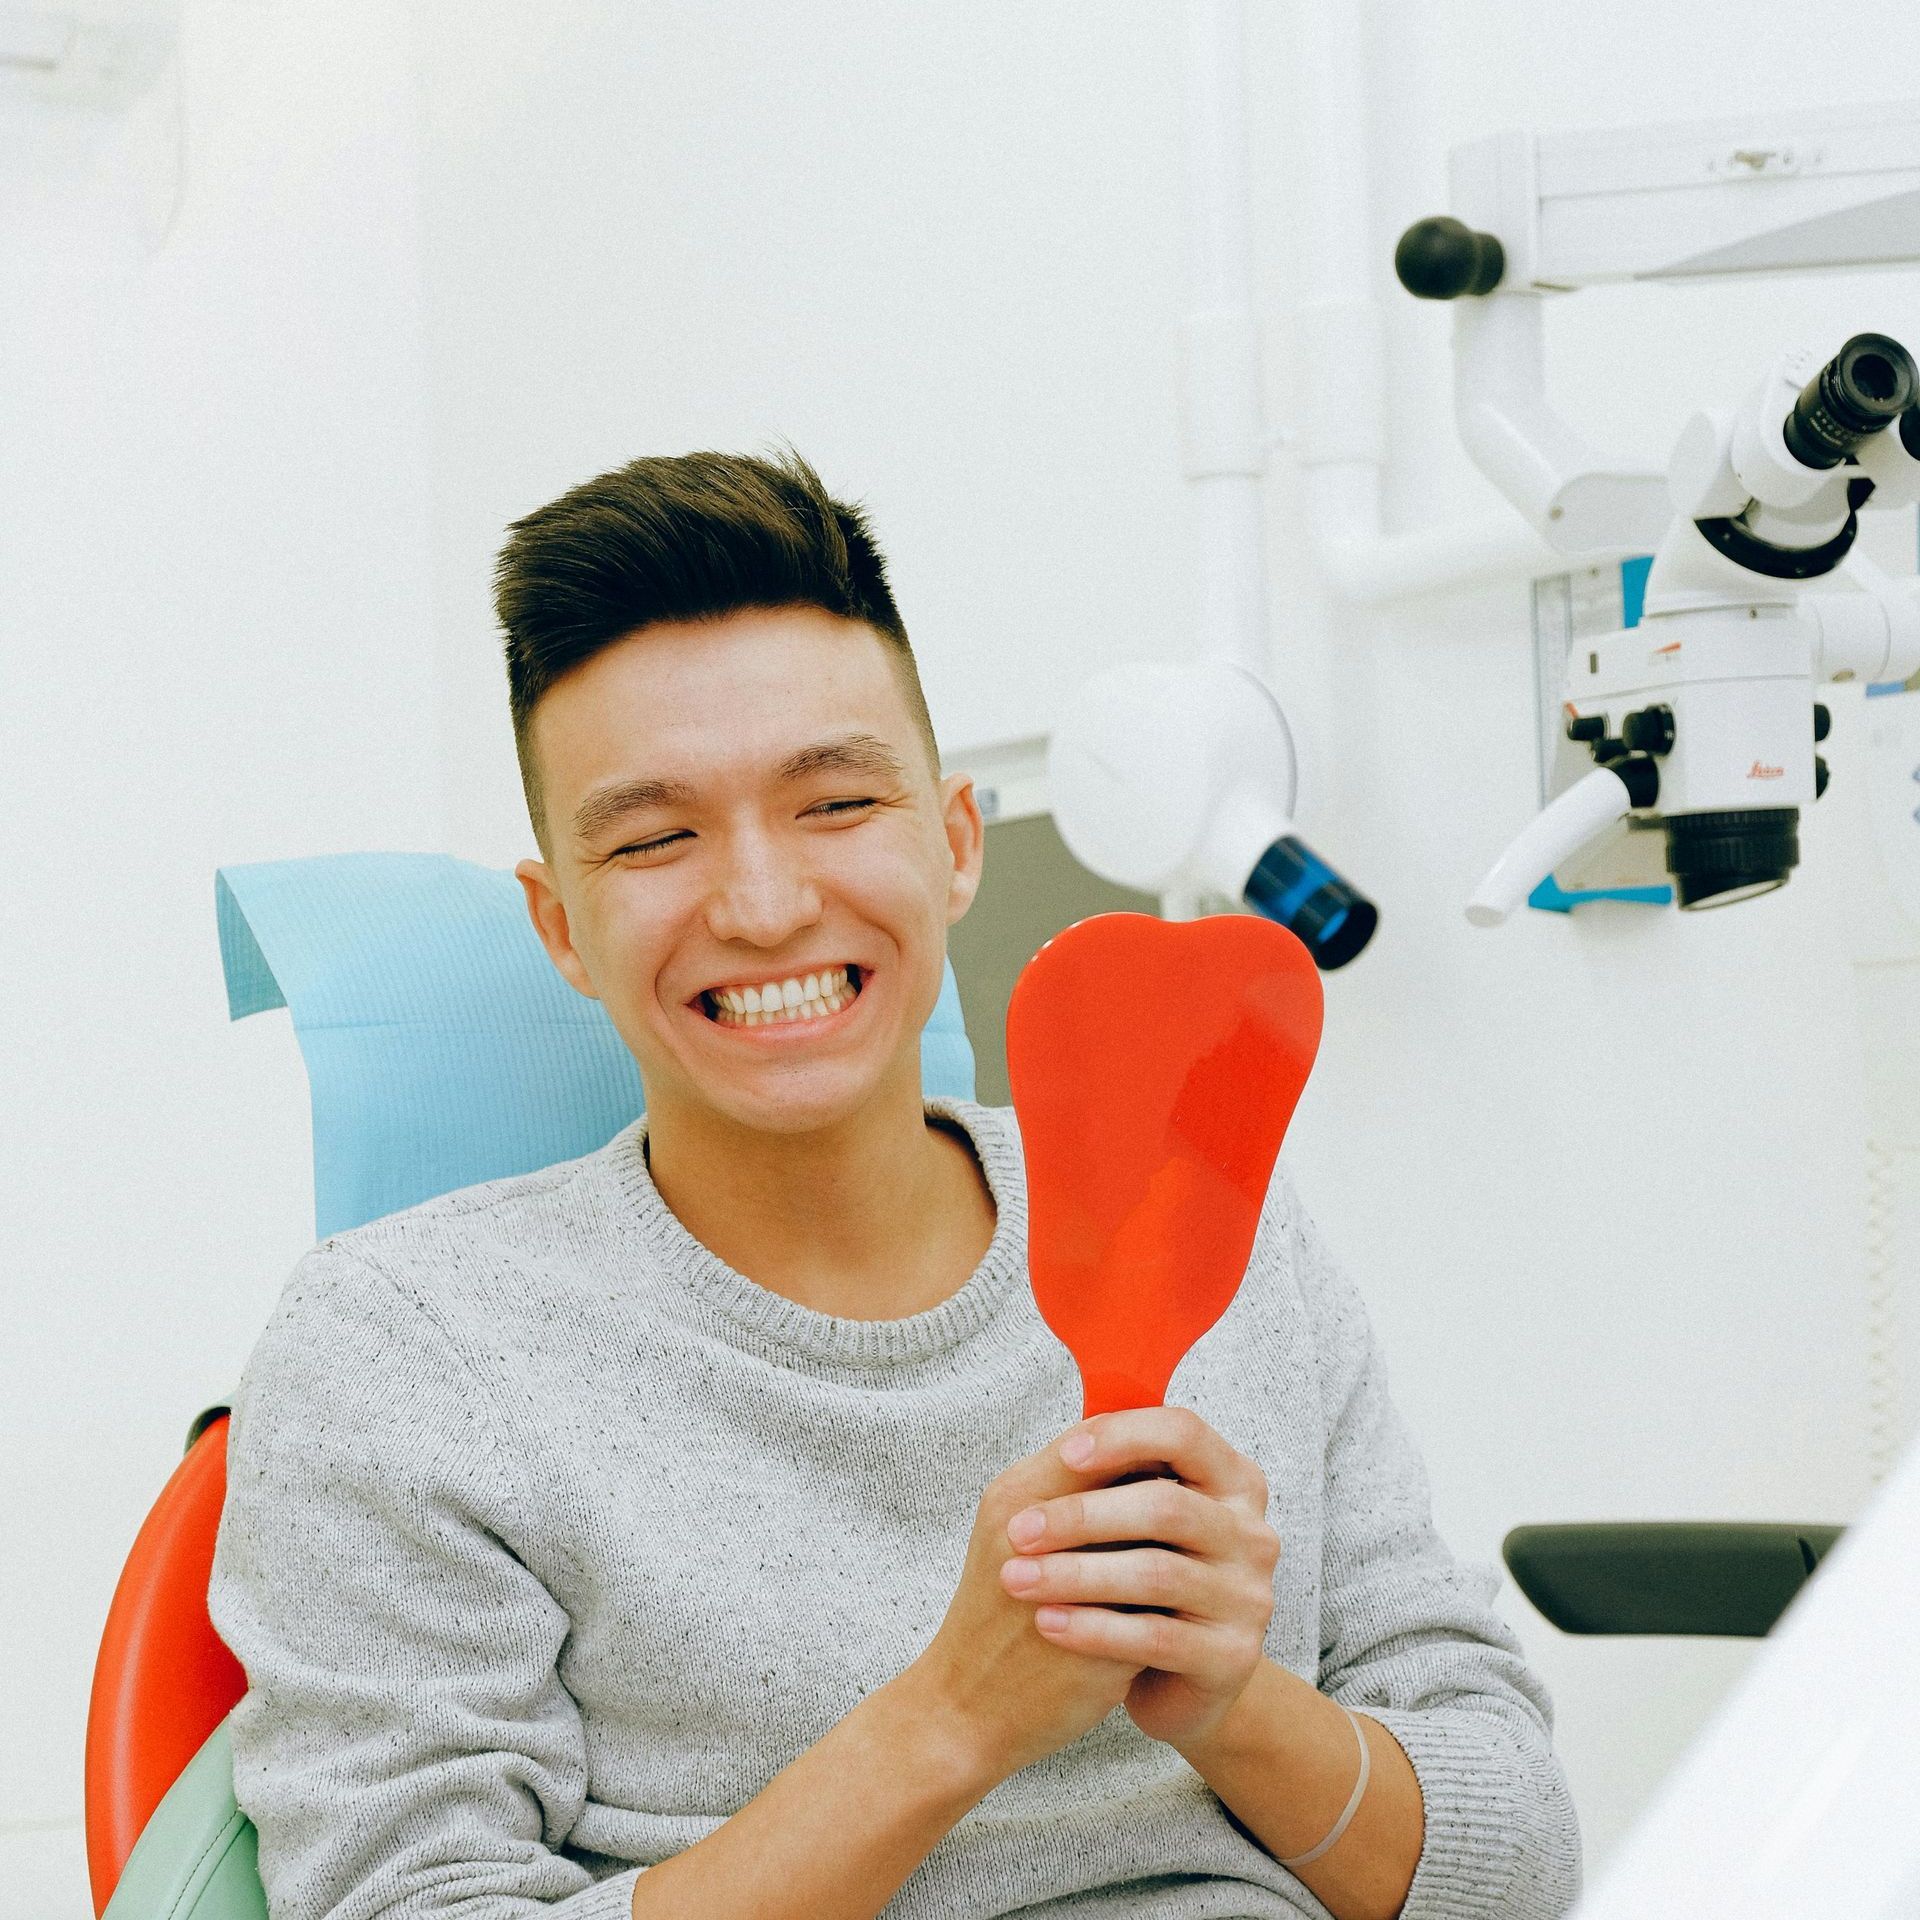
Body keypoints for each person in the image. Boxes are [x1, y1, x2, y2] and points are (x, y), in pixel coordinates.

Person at [208, 448, 1581, 1920]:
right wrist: (950, 1721)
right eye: (657, 837)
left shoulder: (1217, 1228)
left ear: (956, 842)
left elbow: (1519, 1875)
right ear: (561, 927)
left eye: (835, 803)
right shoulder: (408, 1347)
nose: (764, 903)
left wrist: (1238, 1706)